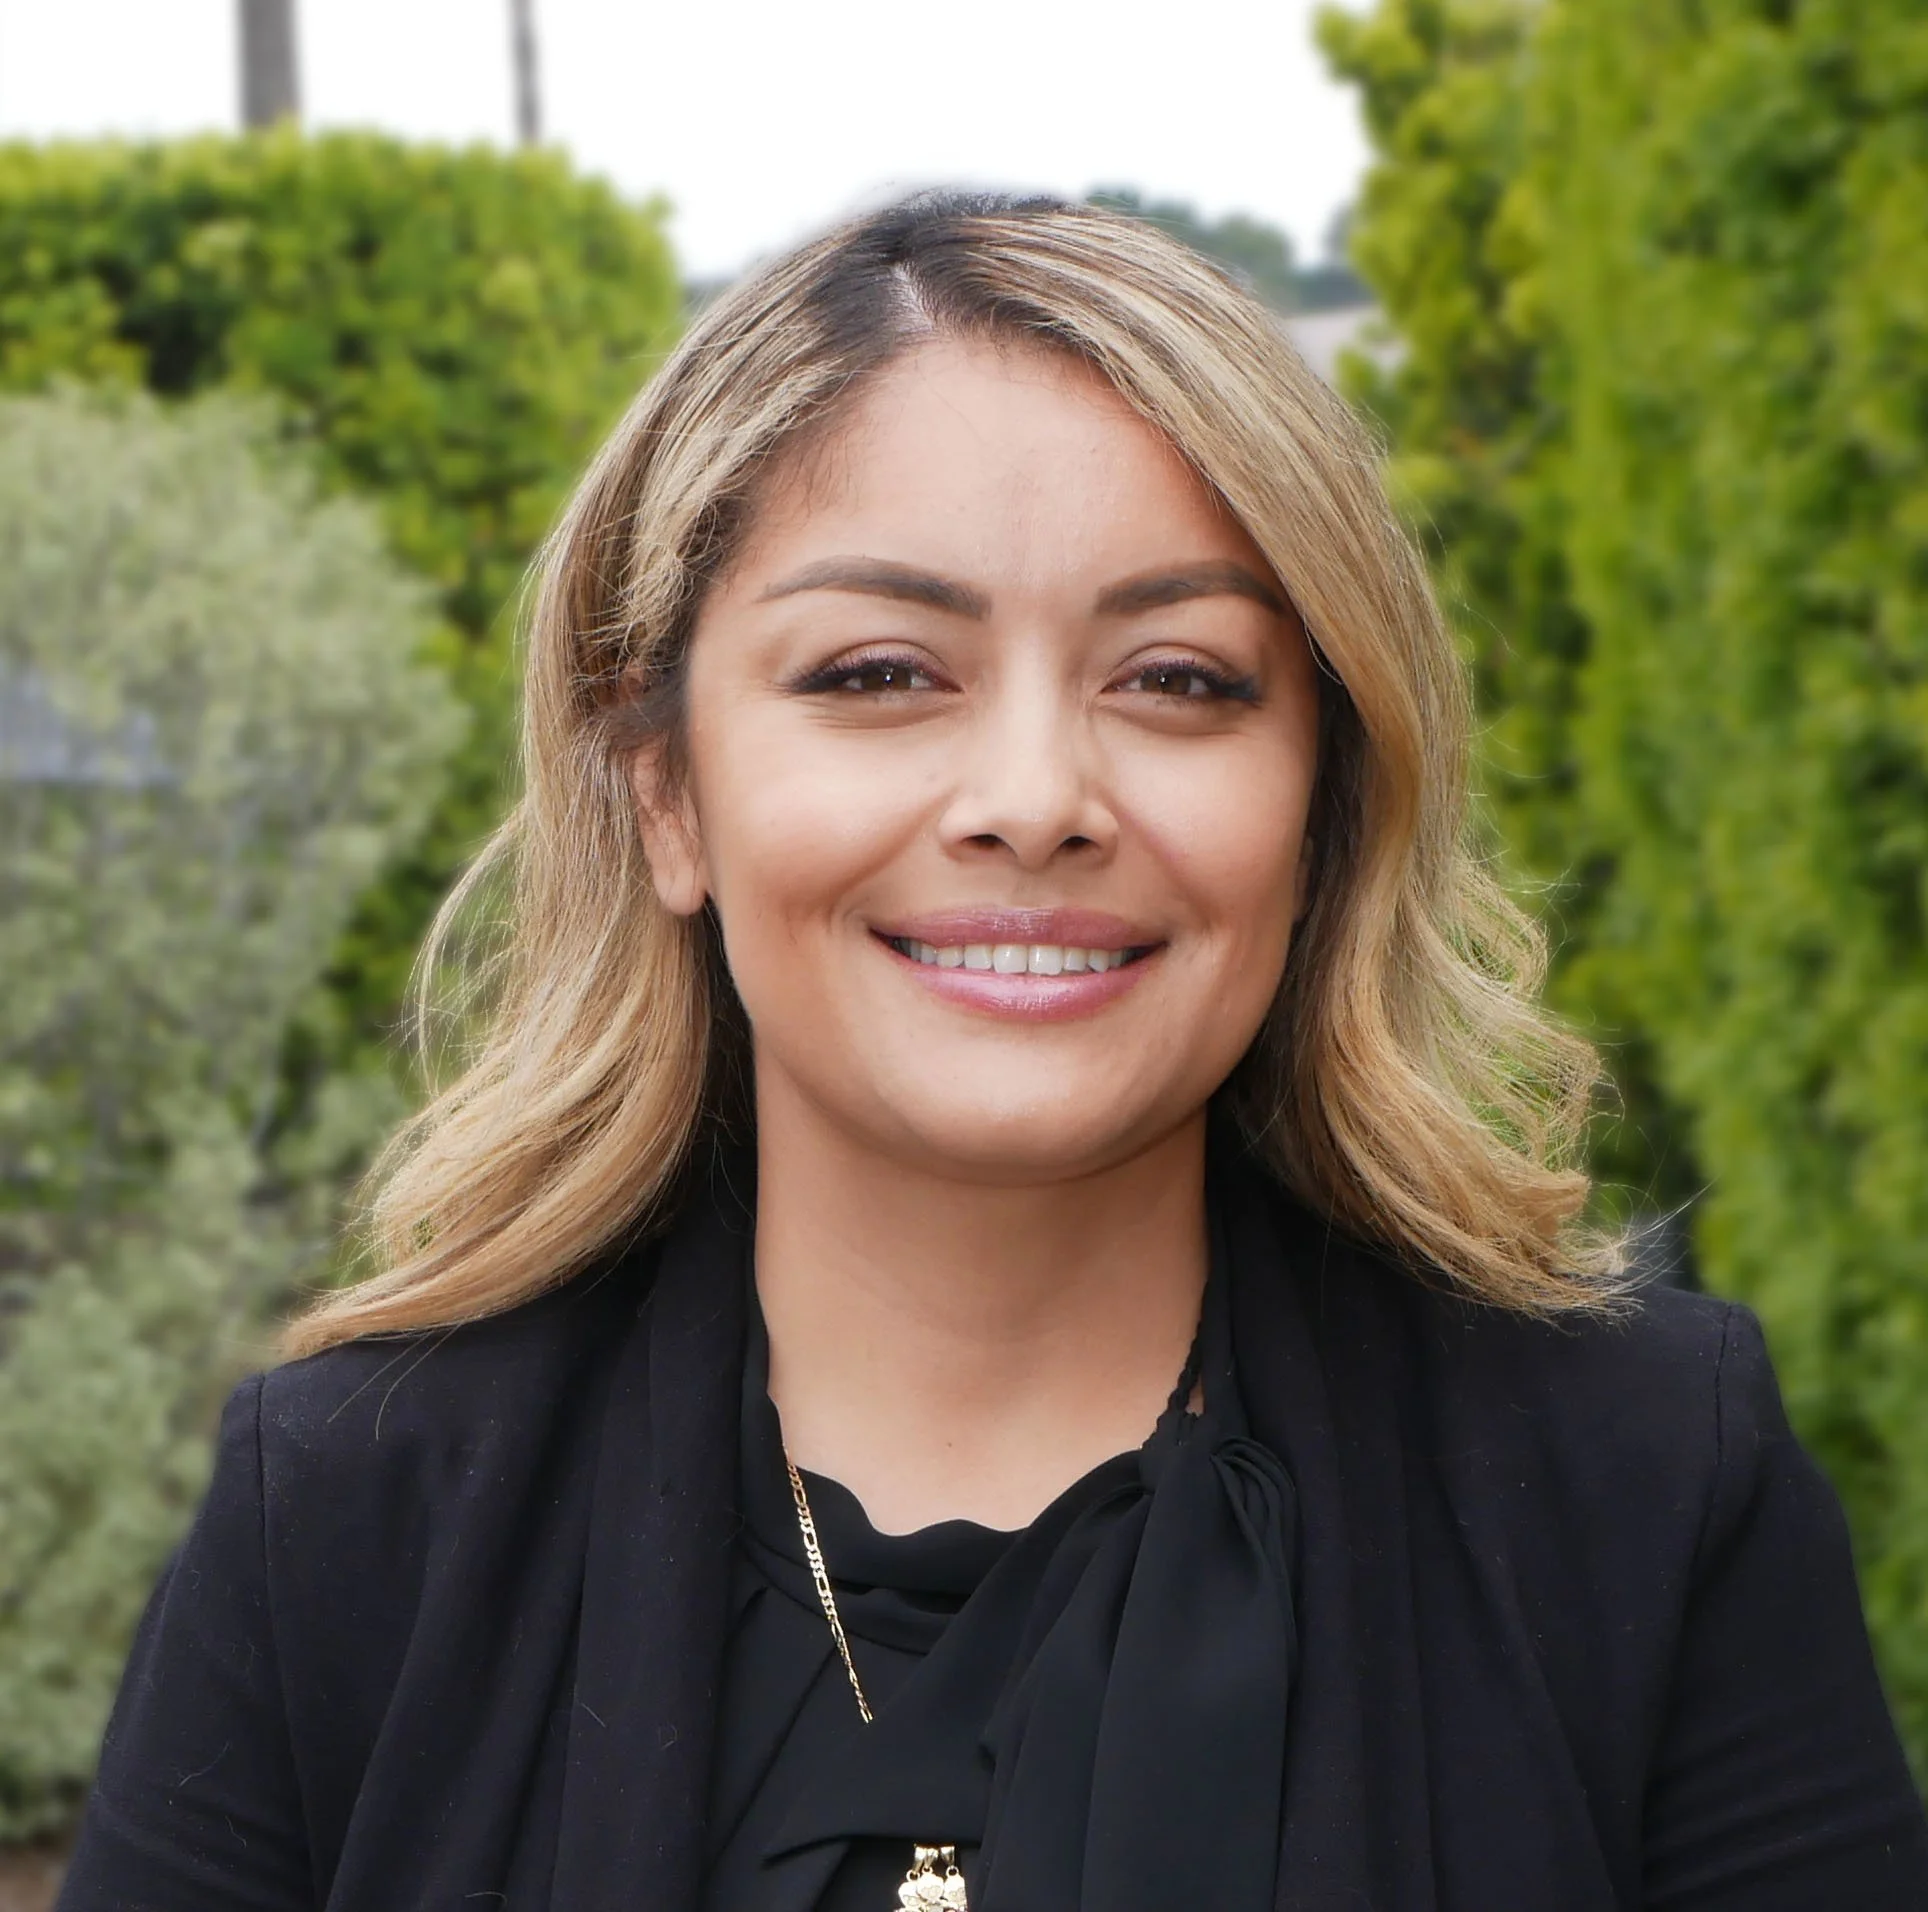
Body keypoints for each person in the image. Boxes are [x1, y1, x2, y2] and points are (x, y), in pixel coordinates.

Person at [57, 193, 1928, 1912]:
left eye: (1181, 679)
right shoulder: (351, 1522)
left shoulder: (1639, 1486)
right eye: (880, 672)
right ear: (667, 800)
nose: (1036, 798)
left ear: (1324, 807)